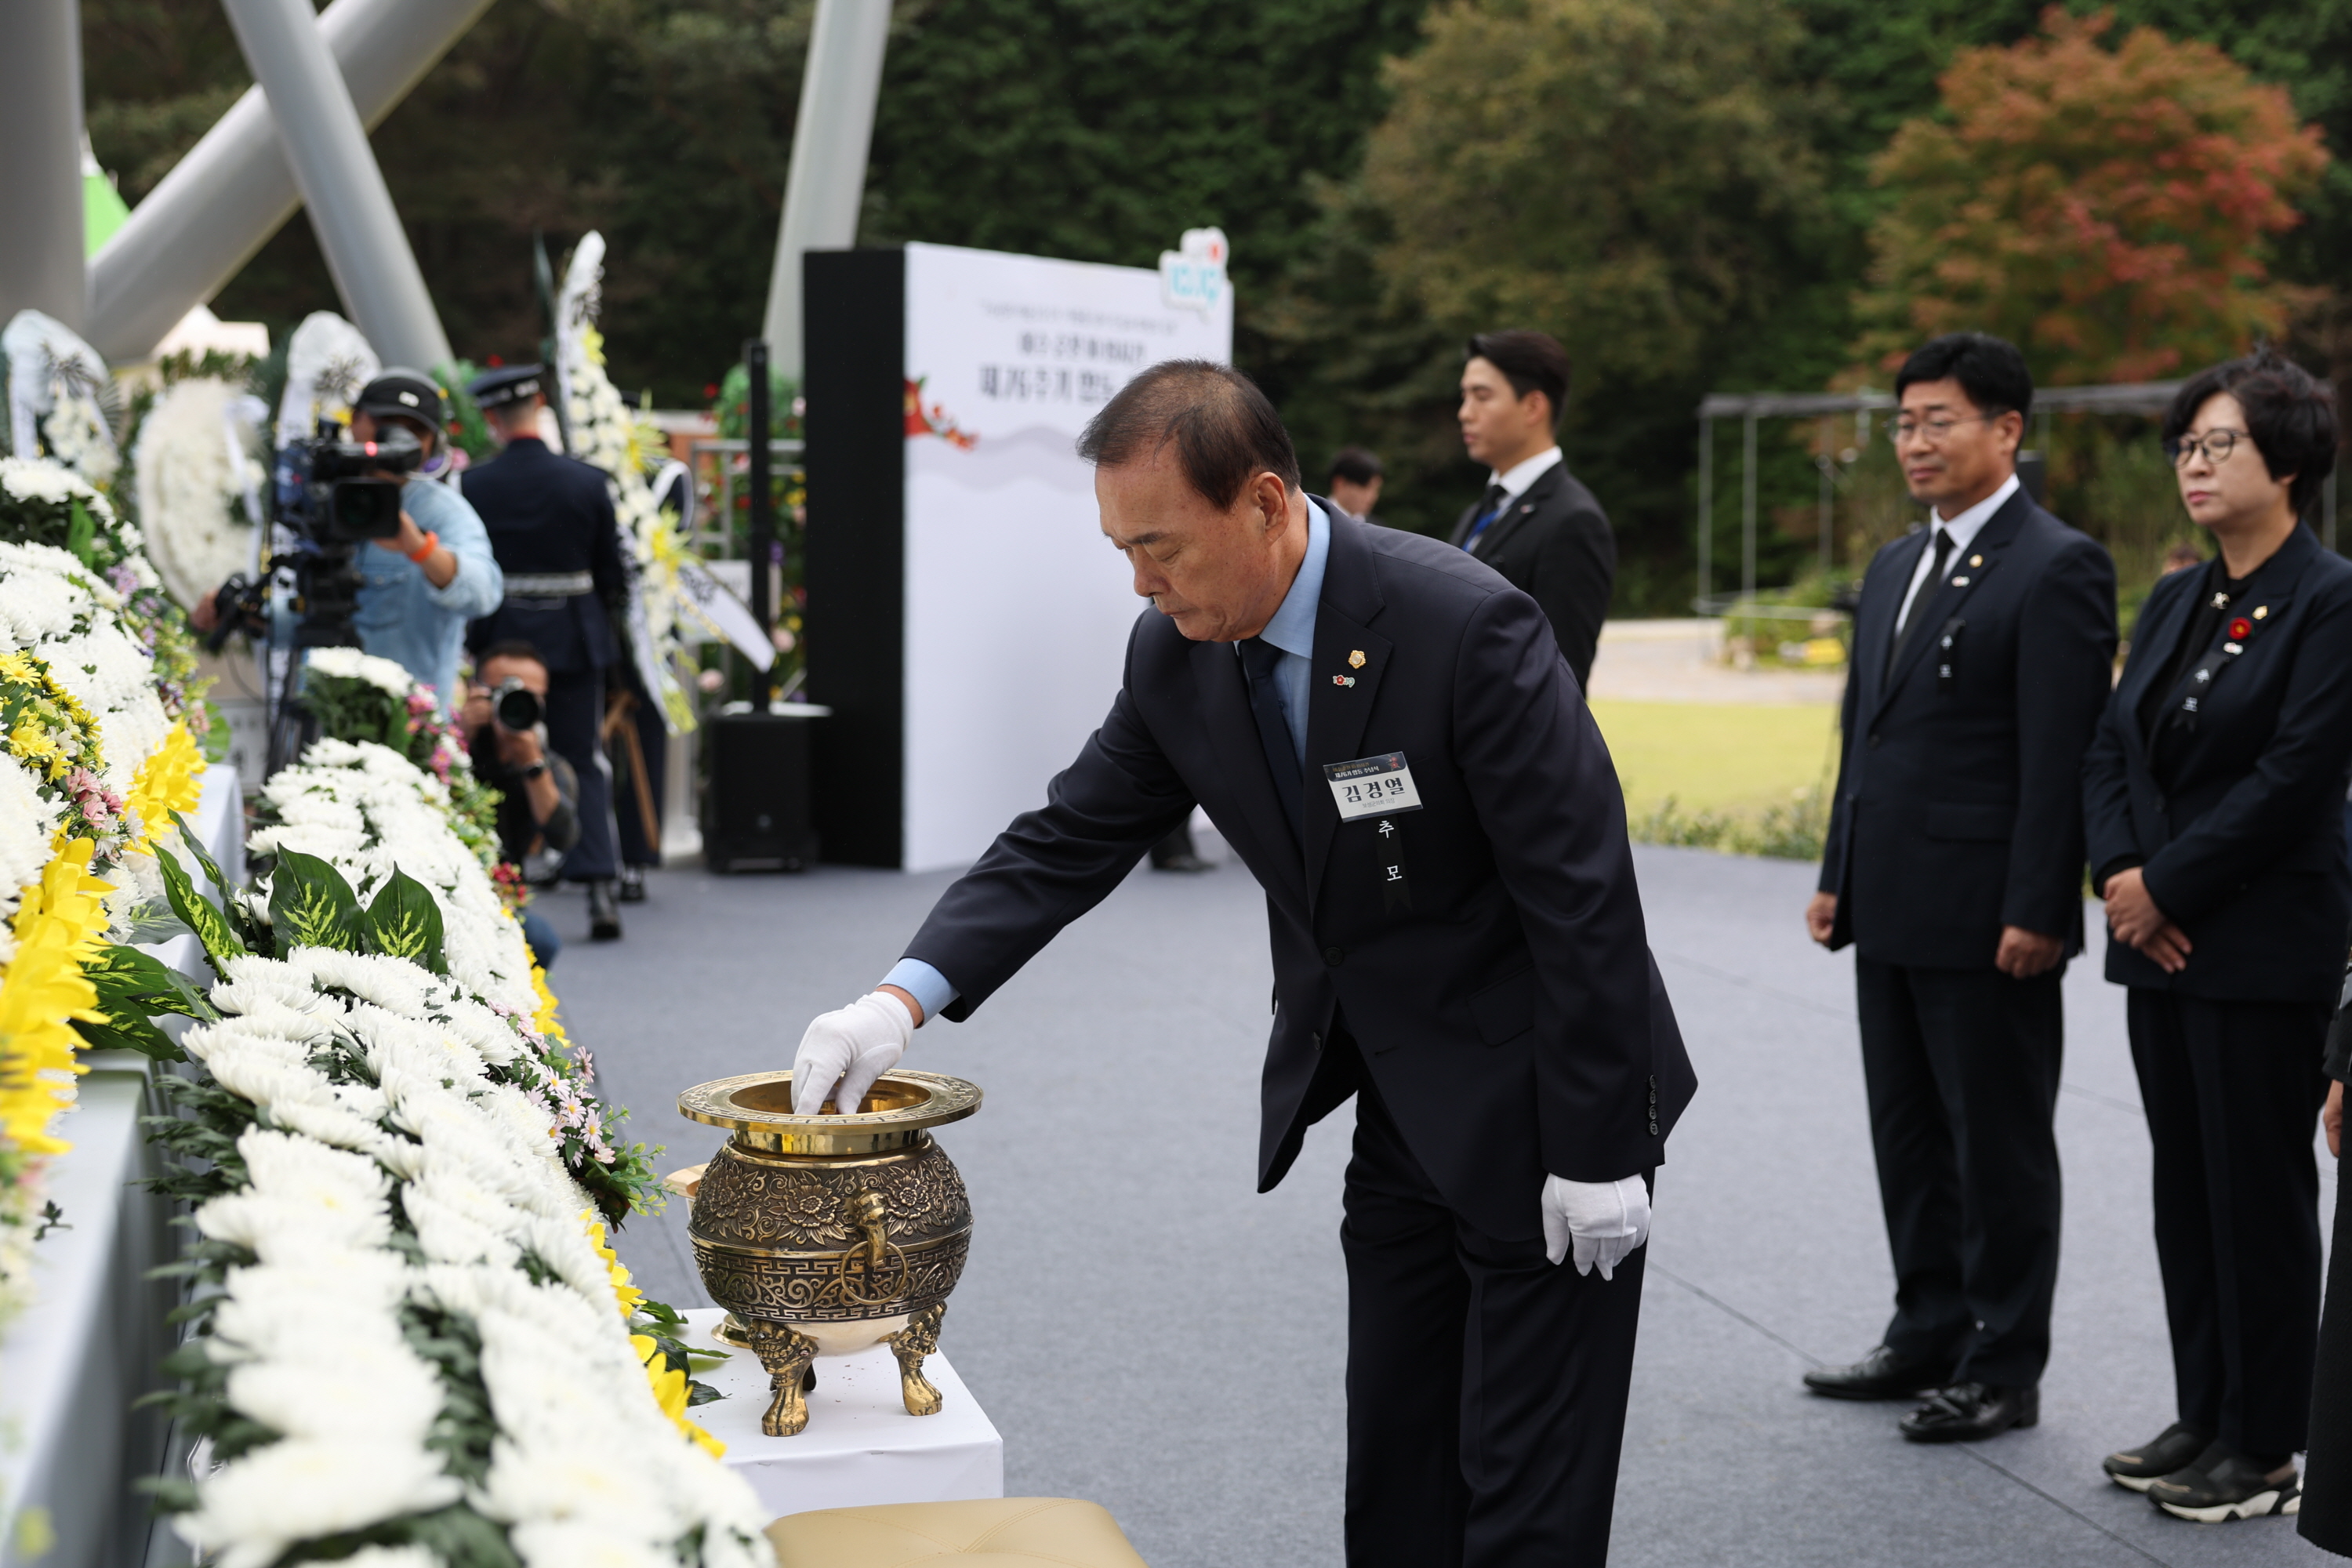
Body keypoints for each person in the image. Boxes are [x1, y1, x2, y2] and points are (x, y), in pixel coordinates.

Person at [784, 361, 1694, 1567]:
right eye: (1121, 551)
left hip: (1543, 1106)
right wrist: (899, 999)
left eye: (1161, 545)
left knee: (1528, 1497)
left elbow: (1583, 898)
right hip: (1399, 1103)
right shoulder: (1178, 653)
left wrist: (1596, 1150)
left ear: (1265, 503)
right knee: (1401, 1473)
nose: (1143, 582)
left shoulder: (1463, 626)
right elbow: (1069, 837)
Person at [1804, 332, 2117, 1443]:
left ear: (2008, 430)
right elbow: (1866, 734)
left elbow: (2059, 755)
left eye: (1940, 420)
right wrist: (1839, 871)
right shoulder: (1896, 564)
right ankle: (1925, 1326)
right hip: (1889, 900)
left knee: (1999, 1144)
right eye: (1904, 422)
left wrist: (2041, 907)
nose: (1917, 442)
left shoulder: (2057, 564)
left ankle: (2003, 1359)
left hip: (1992, 919)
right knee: (1910, 1135)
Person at [2081, 350, 2352, 1523]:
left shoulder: (2332, 597)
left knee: (2258, 1197)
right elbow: (2116, 746)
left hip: (2258, 941)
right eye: (2186, 445)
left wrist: (2170, 886)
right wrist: (2122, 875)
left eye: (2219, 443)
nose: (2195, 462)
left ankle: (2268, 1443)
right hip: (2163, 938)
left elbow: (2297, 776)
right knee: (2185, 1189)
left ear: (2285, 459)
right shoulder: (2180, 593)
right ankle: (2206, 1410)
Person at [192, 368, 503, 709]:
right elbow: (314, 611)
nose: (395, 439)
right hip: (322, 717)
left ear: (433, 445)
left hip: (407, 725)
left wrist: (419, 547)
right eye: (385, 423)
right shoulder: (319, 500)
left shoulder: (442, 512)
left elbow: (483, 594)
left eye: (414, 431)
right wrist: (248, 614)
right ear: (355, 421)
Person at [461, 363, 630, 942]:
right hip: (576, 637)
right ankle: (600, 885)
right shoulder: (588, 481)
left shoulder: (474, 485)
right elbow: (612, 572)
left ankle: (495, 878)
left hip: (504, 637)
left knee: (492, 749)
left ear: (490, 418)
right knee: (582, 756)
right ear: (539, 403)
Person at [1450, 330, 1614, 690]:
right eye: (1465, 396)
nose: (1465, 413)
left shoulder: (1573, 521)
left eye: (1482, 396)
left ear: (1533, 407)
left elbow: (1562, 682)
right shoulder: (1480, 511)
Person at [460, 640, 580, 972]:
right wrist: (460, 737)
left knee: (539, 939)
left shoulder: (549, 765)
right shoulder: (449, 748)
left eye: (530, 694)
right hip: (444, 885)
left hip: (499, 898)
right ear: (477, 691)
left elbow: (562, 836)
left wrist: (531, 763)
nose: (515, 702)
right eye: (502, 691)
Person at [1327, 446, 1384, 523]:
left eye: (1376, 489)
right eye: (1365, 487)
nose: (1372, 496)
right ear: (1340, 483)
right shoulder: (1315, 521)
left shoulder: (1378, 528)